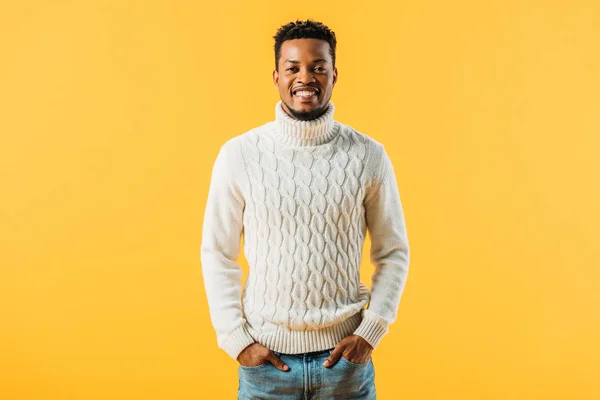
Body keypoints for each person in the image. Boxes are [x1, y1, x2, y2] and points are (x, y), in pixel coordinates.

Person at [200, 19, 410, 399]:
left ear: (334, 74)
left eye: (318, 67)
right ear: (277, 76)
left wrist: (370, 331)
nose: (306, 78)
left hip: (345, 364)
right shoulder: (240, 155)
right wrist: (236, 340)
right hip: (266, 366)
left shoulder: (368, 155)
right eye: (293, 67)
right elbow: (217, 253)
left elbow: (393, 252)